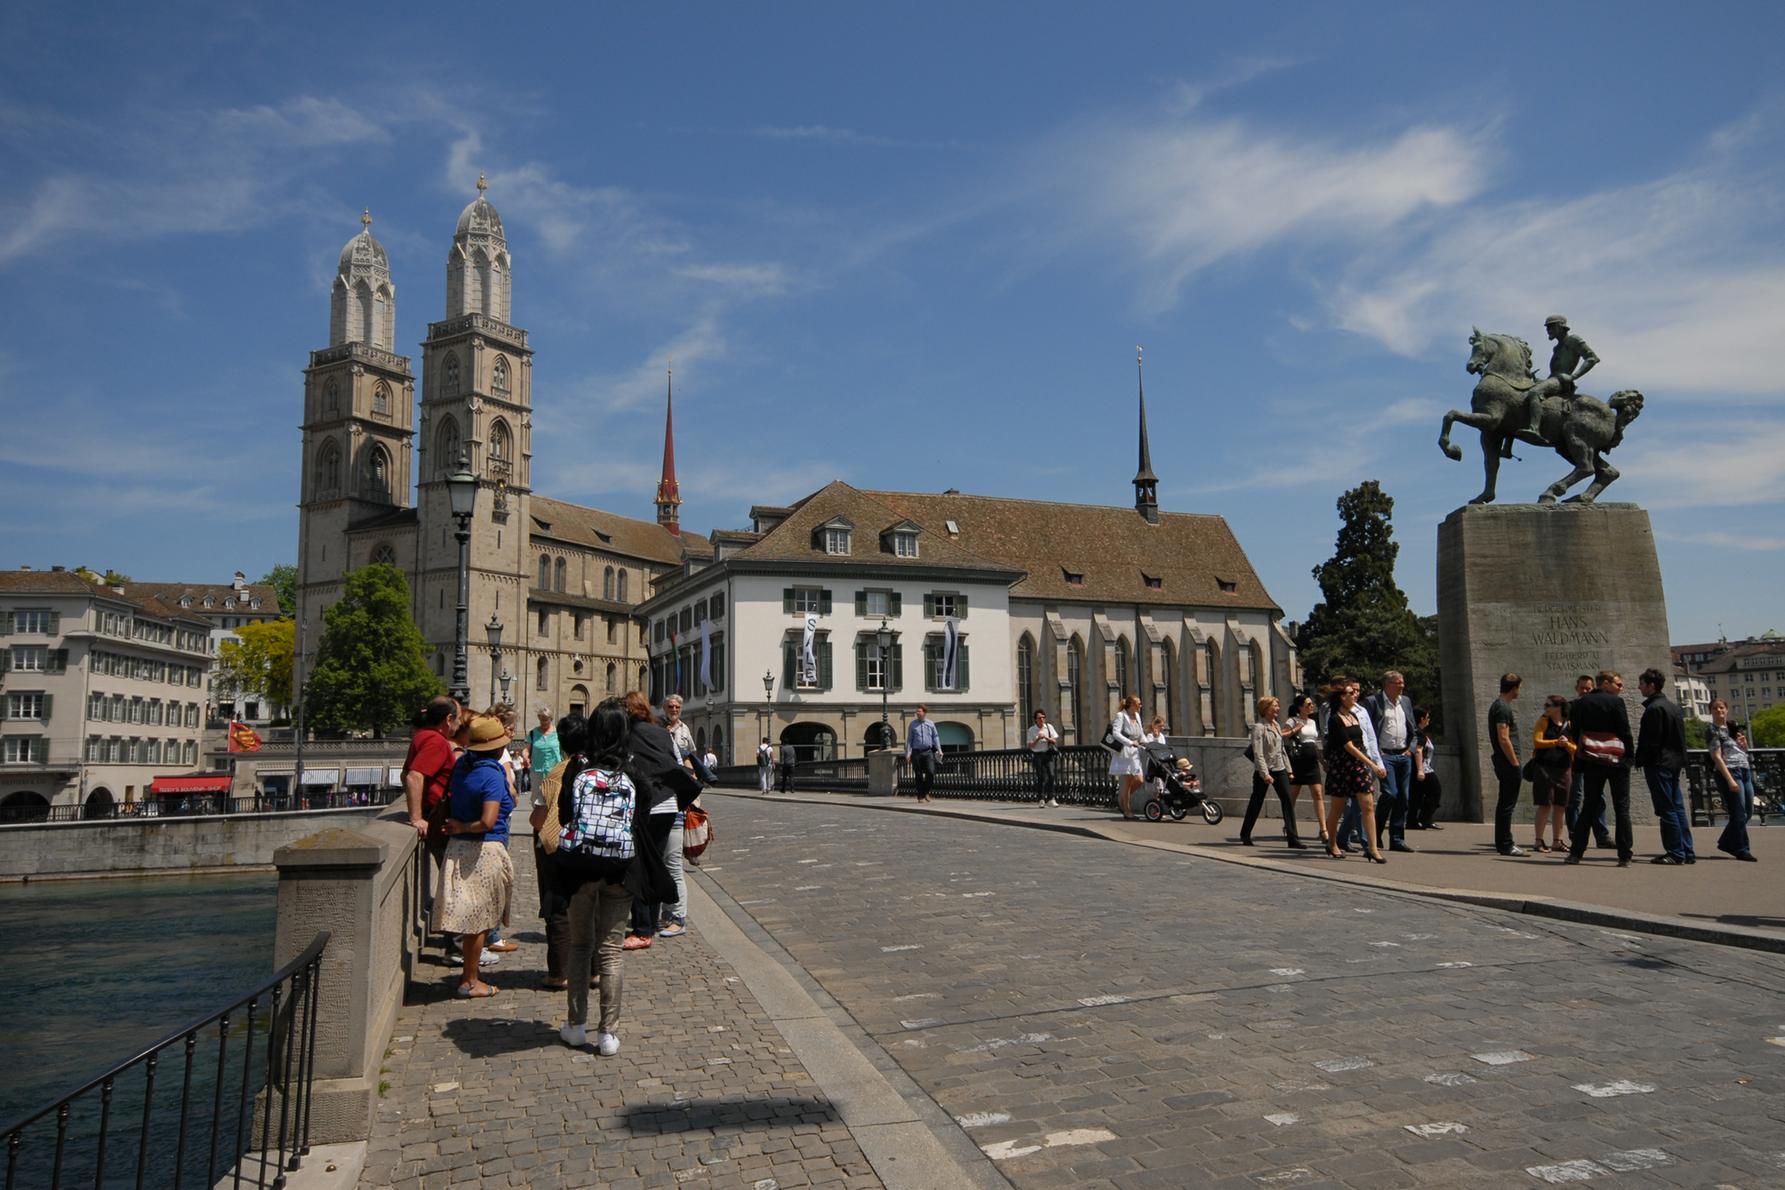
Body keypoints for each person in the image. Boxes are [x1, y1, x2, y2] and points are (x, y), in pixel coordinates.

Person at [552, 697, 677, 1056]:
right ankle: (608, 1033)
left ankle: (575, 1026)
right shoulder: (632, 771)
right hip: (620, 870)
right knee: (610, 952)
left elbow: (563, 816)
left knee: (579, 946)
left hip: (580, 869)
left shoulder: (577, 767)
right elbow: (644, 815)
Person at [435, 714, 516, 998]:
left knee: (470, 917)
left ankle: (468, 976)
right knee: (479, 919)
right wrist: (465, 826)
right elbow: (488, 821)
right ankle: (471, 981)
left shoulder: (461, 766)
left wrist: (458, 827)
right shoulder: (491, 773)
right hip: (483, 850)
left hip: (458, 848)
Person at [622, 691, 696, 948]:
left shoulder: (629, 735)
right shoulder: (662, 733)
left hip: (647, 805)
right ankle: (651, 923)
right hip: (668, 804)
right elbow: (678, 762)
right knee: (655, 863)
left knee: (639, 864)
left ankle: (642, 929)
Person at [530, 711, 582, 991]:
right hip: (591, 848)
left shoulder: (557, 772)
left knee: (559, 907)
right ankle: (595, 971)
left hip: (559, 848)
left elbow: (539, 818)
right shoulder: (600, 769)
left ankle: (559, 973)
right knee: (589, 907)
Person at [1565, 671, 1635, 867]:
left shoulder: (1580, 703)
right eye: (1618, 684)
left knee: (1589, 805)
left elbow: (1576, 733)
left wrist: (1579, 761)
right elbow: (1625, 731)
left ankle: (1576, 852)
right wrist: (1629, 757)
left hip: (1591, 760)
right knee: (1622, 808)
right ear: (1605, 683)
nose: (1621, 688)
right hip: (1616, 759)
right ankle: (1624, 855)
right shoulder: (1616, 703)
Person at [1321, 678, 1387, 863]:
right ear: (1342, 697)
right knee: (1337, 807)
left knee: (1367, 805)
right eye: (1350, 693)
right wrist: (1372, 764)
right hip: (1342, 766)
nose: (1355, 695)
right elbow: (1348, 746)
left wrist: (1374, 762)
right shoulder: (1335, 719)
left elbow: (1363, 742)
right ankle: (1332, 843)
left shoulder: (1355, 715)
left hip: (1358, 766)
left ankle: (1372, 849)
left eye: (1355, 692)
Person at [1635, 667, 1693, 866]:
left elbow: (1651, 741)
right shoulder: (1673, 707)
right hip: (1675, 762)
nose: (1639, 687)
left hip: (1659, 763)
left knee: (1666, 808)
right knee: (1677, 808)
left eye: (1642, 684)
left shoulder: (1654, 709)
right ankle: (1687, 850)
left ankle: (1675, 852)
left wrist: (1640, 759)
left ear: (1651, 686)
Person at [1363, 671, 1417, 853]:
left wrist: (1410, 748)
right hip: (1384, 755)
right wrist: (1375, 754)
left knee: (1403, 797)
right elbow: (1368, 730)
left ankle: (1397, 839)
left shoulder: (1406, 702)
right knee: (1390, 793)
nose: (1402, 686)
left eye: (1403, 682)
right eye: (1398, 683)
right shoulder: (1373, 702)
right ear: (1387, 684)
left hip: (1403, 755)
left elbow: (1414, 729)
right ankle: (1375, 833)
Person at [1521, 314, 1601, 439]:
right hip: (1553, 379)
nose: (1548, 330)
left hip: (1561, 380)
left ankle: (1534, 428)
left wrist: (1573, 376)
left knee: (1534, 393)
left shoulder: (1574, 340)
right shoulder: (1556, 348)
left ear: (1560, 326)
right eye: (1547, 327)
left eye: (1551, 327)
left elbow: (1592, 358)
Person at [1241, 696, 1303, 848]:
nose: (1278, 709)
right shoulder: (1259, 727)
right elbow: (1258, 753)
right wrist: (1265, 774)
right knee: (1257, 801)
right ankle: (1245, 833)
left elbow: (1281, 750)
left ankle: (1293, 838)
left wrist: (1289, 771)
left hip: (1279, 768)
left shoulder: (1276, 725)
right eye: (1275, 706)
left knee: (1287, 800)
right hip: (1265, 770)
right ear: (1266, 708)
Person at [1565, 674, 1613, 849]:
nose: (1585, 691)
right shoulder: (1570, 707)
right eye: (1582, 688)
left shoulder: (1597, 706)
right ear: (1576, 688)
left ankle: (1602, 836)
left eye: (1588, 688)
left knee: (1598, 796)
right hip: (1575, 757)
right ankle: (1576, 836)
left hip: (1594, 756)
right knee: (1574, 798)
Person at [1707, 699, 1757, 862]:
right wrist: (1730, 780)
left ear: (1727, 710)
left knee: (1748, 811)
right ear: (1711, 711)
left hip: (1744, 769)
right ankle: (1742, 849)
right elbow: (1716, 756)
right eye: (1715, 708)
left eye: (1721, 707)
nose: (1718, 710)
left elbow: (1742, 751)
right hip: (1730, 771)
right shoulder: (1712, 729)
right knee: (1739, 812)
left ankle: (1727, 842)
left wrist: (1744, 744)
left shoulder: (1733, 727)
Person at [1530, 695, 1576, 853]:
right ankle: (1538, 841)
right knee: (1545, 804)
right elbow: (1537, 742)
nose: (1545, 708)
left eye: (1548, 705)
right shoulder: (1543, 721)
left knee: (1561, 806)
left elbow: (1576, 748)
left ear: (1558, 707)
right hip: (1544, 767)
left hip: (1564, 768)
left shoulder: (1569, 724)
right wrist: (1556, 742)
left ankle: (1557, 840)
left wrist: (1567, 744)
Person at [1489, 673, 1527, 857]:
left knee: (1505, 803)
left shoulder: (1500, 706)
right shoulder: (1502, 708)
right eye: (1519, 687)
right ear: (1514, 688)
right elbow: (1503, 738)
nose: (1520, 691)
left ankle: (1503, 842)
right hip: (1508, 763)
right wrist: (1514, 762)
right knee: (1507, 804)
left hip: (1506, 762)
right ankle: (1505, 843)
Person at [1283, 695, 1327, 846]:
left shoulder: (1313, 722)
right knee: (1293, 795)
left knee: (1318, 794)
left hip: (1312, 760)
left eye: (1311, 703)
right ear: (1300, 707)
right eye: (1308, 704)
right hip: (1298, 761)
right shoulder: (1292, 720)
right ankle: (1289, 826)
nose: (1311, 706)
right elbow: (1282, 735)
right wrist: (1295, 729)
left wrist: (1322, 761)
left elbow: (1314, 743)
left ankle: (1323, 829)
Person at [1107, 695, 1146, 820]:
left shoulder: (1137, 716)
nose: (1141, 705)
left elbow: (1140, 733)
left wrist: (1146, 742)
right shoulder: (1121, 715)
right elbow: (1116, 733)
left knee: (1139, 780)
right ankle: (1127, 810)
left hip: (1134, 752)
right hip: (1124, 752)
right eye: (1138, 703)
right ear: (1131, 704)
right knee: (1127, 782)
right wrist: (1130, 743)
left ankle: (1121, 799)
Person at [1409, 707, 1443, 831]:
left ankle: (1415, 820)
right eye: (1427, 718)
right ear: (1422, 719)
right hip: (1424, 769)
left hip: (1420, 768)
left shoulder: (1417, 733)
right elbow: (1418, 751)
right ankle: (1424, 818)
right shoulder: (1419, 734)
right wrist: (1420, 770)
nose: (1429, 720)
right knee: (1435, 791)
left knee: (1416, 795)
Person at [907, 705, 943, 803]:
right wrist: (908, 753)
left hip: (928, 751)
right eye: (917, 712)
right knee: (918, 774)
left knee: (930, 772)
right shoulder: (912, 724)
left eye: (919, 711)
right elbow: (910, 739)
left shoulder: (930, 723)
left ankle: (926, 792)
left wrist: (939, 749)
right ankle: (920, 796)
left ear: (924, 712)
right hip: (916, 752)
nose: (917, 713)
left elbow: (935, 737)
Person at [1026, 709, 1061, 807]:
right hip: (1038, 755)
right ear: (1035, 720)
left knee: (1051, 775)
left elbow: (1054, 741)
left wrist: (1046, 737)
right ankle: (1041, 799)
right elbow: (1030, 745)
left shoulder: (1049, 727)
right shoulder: (1031, 730)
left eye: (1043, 717)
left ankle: (1051, 798)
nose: (1041, 719)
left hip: (1048, 754)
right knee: (1041, 777)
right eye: (1039, 718)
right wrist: (1038, 738)